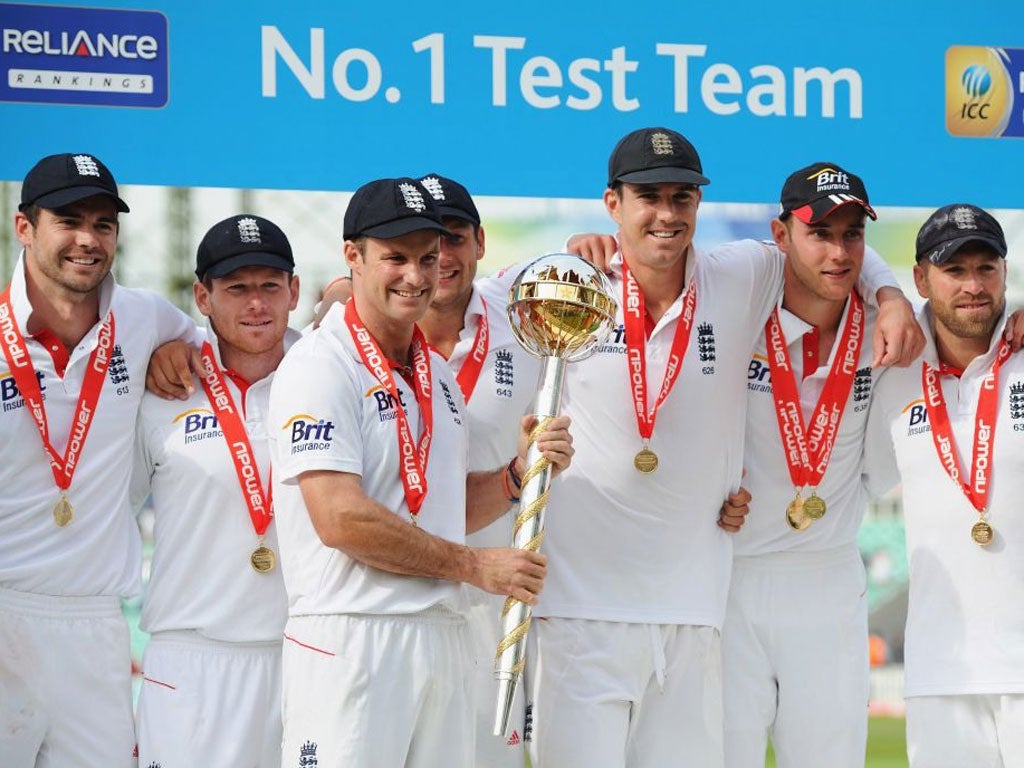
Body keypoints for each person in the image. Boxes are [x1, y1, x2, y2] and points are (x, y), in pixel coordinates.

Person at [522, 128, 920, 768]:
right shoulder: (592, 285)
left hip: (737, 595)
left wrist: (894, 293)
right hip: (636, 596)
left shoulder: (751, 277)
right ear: (612, 202)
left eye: (682, 197)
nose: (667, 213)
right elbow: (472, 305)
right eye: (648, 196)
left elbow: (844, 255)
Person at [267, 177, 573, 768]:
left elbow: (443, 506)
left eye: (428, 258)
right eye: (396, 258)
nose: (416, 275)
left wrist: (517, 475)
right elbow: (339, 518)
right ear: (352, 257)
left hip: (440, 632)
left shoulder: (432, 376)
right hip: (353, 637)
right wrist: (473, 565)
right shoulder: (320, 364)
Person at [0, 153, 198, 767]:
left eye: (104, 223)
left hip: (96, 621)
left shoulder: (146, 319)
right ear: (24, 227)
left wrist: (175, 350)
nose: (88, 239)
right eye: (69, 220)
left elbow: (252, 338)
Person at [714, 162, 886, 768]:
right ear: (780, 235)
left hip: (827, 576)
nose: (839, 253)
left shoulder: (888, 332)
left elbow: (969, 321)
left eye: (852, 235)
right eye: (820, 233)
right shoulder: (732, 311)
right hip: (729, 576)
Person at [131, 215, 300, 767]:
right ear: (203, 297)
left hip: (301, 656)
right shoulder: (160, 386)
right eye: (237, 288)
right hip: (191, 660)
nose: (256, 303)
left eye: (270, 286)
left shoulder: (329, 373)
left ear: (294, 291)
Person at [864, 205, 1024, 768]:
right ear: (920, 280)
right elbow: (821, 266)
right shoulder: (890, 371)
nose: (974, 286)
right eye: (954, 270)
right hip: (940, 674)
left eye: (987, 267)